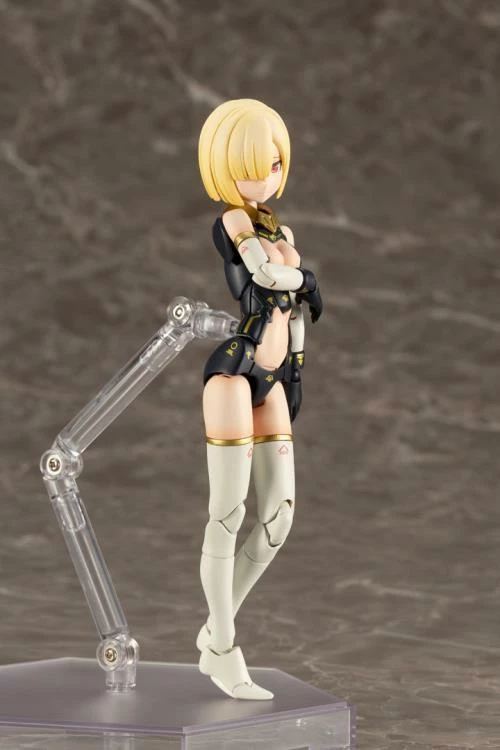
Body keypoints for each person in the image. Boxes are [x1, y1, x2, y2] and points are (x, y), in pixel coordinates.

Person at [196, 99, 322, 699]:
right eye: (250, 167)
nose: (265, 178)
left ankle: (214, 630)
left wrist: (296, 369)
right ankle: (223, 648)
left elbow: (292, 314)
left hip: (272, 375)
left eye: (272, 164)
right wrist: (308, 279)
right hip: (236, 368)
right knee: (228, 512)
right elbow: (268, 279)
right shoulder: (233, 223)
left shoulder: (281, 230)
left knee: (277, 518)